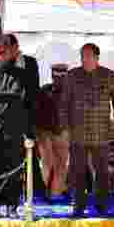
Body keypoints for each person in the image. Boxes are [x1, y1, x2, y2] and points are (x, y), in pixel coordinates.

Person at [57, 43, 114, 217]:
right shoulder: (72, 75)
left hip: (101, 134)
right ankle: (78, 206)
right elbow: (64, 105)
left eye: (88, 56)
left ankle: (102, 206)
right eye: (82, 56)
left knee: (102, 173)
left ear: (97, 57)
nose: (85, 59)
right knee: (77, 172)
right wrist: (65, 128)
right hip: (77, 134)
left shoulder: (108, 75)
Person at [0, 33, 39, 218]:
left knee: (13, 168)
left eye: (3, 50)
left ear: (10, 52)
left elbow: (25, 99)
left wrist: (28, 130)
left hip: (14, 127)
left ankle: (11, 206)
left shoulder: (22, 73)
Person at [34, 64, 69, 200]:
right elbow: (36, 112)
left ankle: (56, 192)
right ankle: (49, 191)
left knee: (61, 164)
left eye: (62, 76)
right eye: (56, 76)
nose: (59, 79)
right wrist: (37, 134)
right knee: (47, 162)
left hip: (63, 132)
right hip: (45, 132)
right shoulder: (44, 91)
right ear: (52, 76)